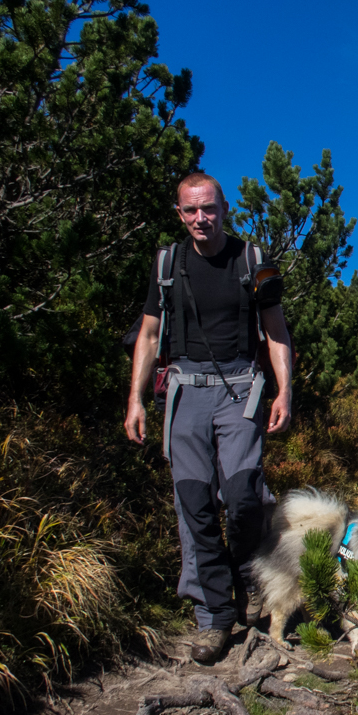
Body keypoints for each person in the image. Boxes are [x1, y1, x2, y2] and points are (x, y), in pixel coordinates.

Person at [124, 173, 293, 664]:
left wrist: (285, 391)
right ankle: (215, 616)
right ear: (180, 214)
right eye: (191, 211)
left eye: (209, 209)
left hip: (241, 388)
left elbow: (276, 330)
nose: (201, 219)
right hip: (185, 392)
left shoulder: (254, 261)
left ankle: (250, 579)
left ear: (224, 208)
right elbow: (150, 336)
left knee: (242, 497)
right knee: (194, 505)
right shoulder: (167, 264)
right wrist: (136, 400)